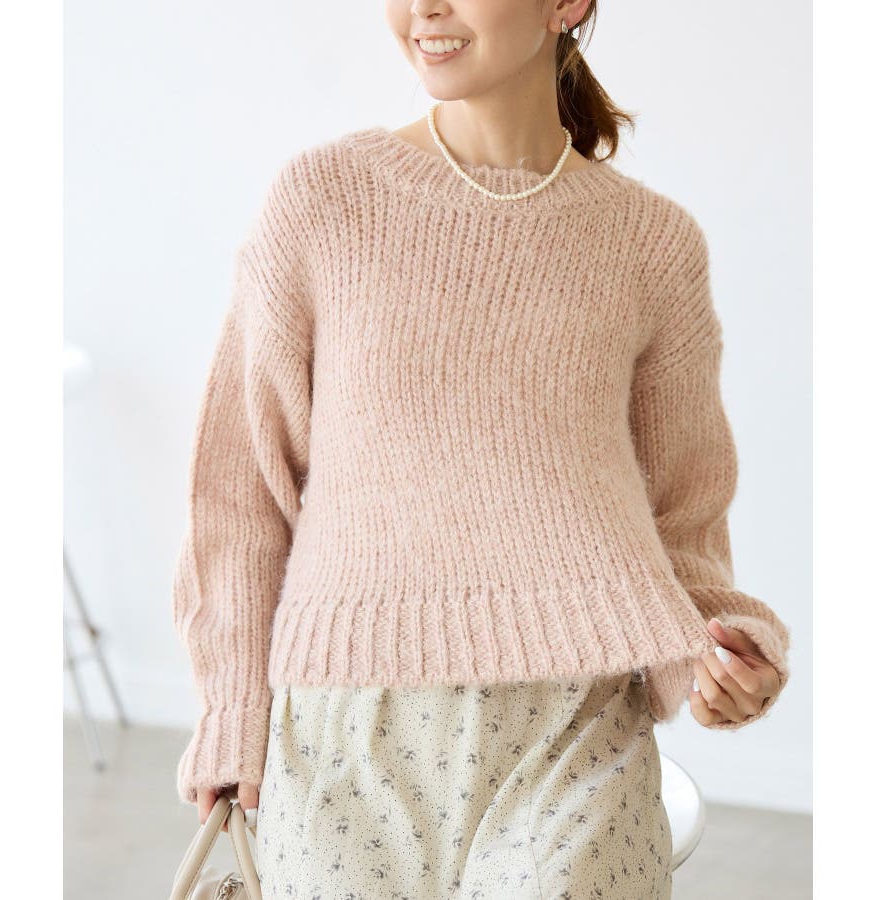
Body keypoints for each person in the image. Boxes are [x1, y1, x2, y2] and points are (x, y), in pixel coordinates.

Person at [172, 2, 791, 897]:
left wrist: (725, 653)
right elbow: (238, 493)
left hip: (572, 729)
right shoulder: (324, 201)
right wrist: (232, 710)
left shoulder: (651, 245)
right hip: (345, 735)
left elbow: (683, 515)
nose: (423, 8)